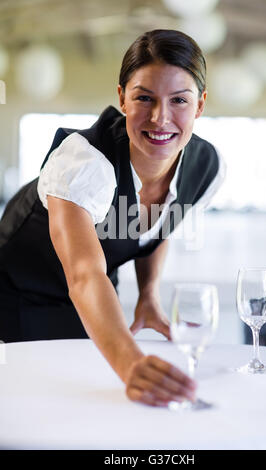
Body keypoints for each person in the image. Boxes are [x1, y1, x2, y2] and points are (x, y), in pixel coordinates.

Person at [0, 29, 224, 407]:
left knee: (98, 396)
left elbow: (161, 225)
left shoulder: (206, 167)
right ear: (122, 97)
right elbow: (84, 272)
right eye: (144, 98)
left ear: (200, 105)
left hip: (97, 293)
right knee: (46, 401)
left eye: (179, 101)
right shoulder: (84, 162)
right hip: (21, 290)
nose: (160, 118)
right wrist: (131, 363)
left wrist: (149, 293)